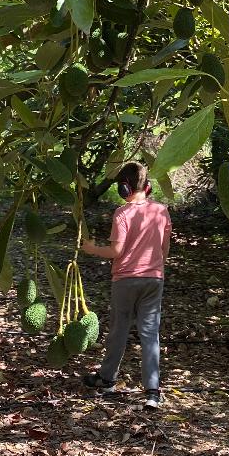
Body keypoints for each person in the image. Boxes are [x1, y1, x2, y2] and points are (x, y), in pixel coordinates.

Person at [80, 161, 172, 410]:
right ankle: (152, 392)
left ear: (124, 189)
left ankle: (107, 379)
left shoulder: (122, 214)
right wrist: (153, 267)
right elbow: (164, 251)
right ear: (148, 187)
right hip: (154, 279)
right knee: (150, 334)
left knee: (119, 330)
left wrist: (91, 249)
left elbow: (116, 251)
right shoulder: (161, 211)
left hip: (125, 280)